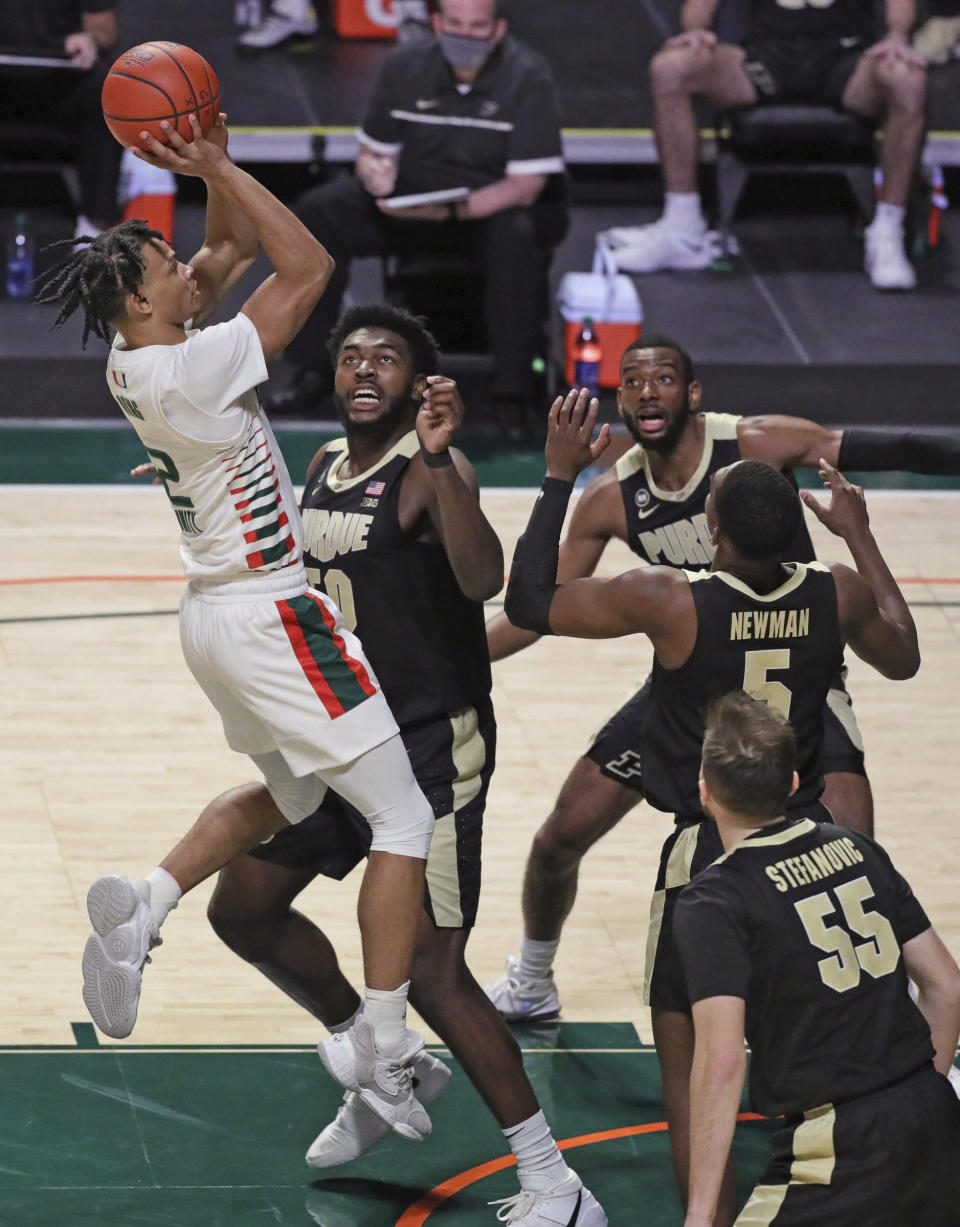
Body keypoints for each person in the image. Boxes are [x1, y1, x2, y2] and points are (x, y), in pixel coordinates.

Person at [36, 114, 438, 1140]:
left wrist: (206, 159)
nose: (191, 265)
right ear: (141, 299)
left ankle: (148, 898)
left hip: (215, 617)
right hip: (270, 613)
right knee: (402, 822)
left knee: (294, 796)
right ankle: (384, 1046)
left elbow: (232, 249)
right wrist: (216, 163)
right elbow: (304, 264)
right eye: (168, 263)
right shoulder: (191, 366)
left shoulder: (139, 359)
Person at [204, 301, 605, 1226]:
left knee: (432, 967)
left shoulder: (431, 470)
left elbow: (480, 580)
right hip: (344, 735)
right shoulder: (320, 466)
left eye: (385, 358)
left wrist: (437, 457)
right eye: (351, 357)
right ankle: (378, 1050)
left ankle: (555, 1182)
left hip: (431, 746)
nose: (363, 371)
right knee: (244, 907)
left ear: (420, 384)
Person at [502, 388, 921, 1223]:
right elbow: (904, 655)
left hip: (714, 850)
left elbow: (529, 603)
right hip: (808, 841)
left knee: (696, 1073)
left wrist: (556, 480)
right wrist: (862, 537)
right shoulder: (833, 591)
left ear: (715, 534)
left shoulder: (672, 600)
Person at [485, 333, 960, 1027]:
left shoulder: (756, 445)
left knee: (857, 863)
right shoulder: (611, 499)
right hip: (696, 691)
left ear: (693, 393)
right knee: (561, 835)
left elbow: (899, 450)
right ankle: (531, 978)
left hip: (799, 682)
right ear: (621, 399)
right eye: (635, 382)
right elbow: (539, 608)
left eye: (664, 378)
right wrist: (461, 653)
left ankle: (894, 1019)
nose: (649, 392)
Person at [676, 690, 960, 1227]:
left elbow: (721, 1063)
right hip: (934, 1117)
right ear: (791, 784)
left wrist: (699, 1214)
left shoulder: (714, 901)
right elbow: (947, 987)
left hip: (837, 1144)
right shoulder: (856, 846)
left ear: (705, 793)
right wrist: (921, 1096)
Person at [268, 0, 567, 438]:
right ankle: (312, 369)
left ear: (498, 30)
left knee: (517, 237)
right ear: (436, 23)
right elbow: (373, 152)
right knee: (319, 213)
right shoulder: (404, 66)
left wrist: (449, 210)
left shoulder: (528, 76)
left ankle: (514, 392)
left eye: (477, 27)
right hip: (409, 203)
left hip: (488, 210)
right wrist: (375, 174)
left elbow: (526, 185)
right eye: (456, 25)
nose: (465, 37)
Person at [604, 0, 927, 290]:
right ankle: (682, 228)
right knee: (671, 67)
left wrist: (897, 35)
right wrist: (696, 29)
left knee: (908, 80)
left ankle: (887, 231)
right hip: (766, 61)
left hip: (848, 61)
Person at [0, 0, 122, 235]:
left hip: (61, 79)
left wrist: (90, 39)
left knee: (106, 89)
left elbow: (105, 31)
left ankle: (93, 228)